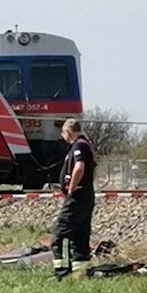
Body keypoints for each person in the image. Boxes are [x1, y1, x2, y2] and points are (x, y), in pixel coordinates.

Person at [49, 118, 97, 281]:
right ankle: (80, 271)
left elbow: (79, 167)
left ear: (68, 132)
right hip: (86, 195)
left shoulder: (79, 146)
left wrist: (70, 188)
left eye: (63, 133)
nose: (62, 136)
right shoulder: (85, 145)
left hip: (77, 197)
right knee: (80, 234)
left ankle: (62, 272)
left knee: (60, 233)